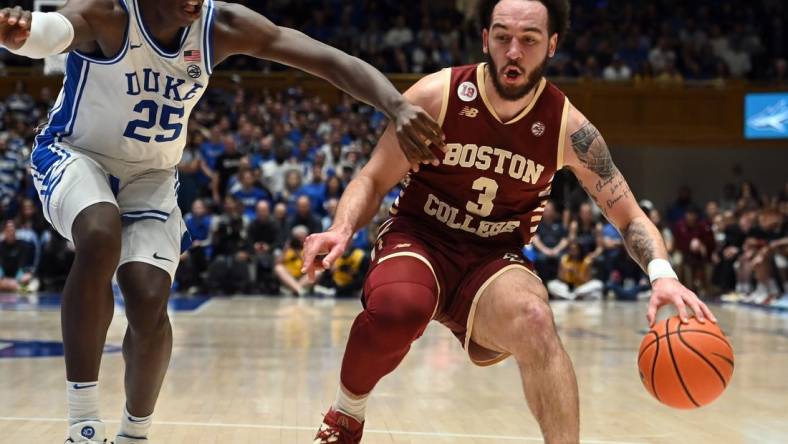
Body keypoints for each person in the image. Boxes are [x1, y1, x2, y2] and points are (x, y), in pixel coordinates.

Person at [0, 1, 445, 442]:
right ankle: (83, 424)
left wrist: (395, 105)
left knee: (148, 294)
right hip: (76, 153)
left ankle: (134, 435)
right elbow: (53, 31)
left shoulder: (218, 25)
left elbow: (327, 59)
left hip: (151, 174)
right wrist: (24, 32)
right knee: (99, 234)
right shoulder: (110, 13)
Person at [302, 1, 716, 443]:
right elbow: (372, 177)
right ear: (485, 39)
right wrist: (342, 227)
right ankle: (347, 414)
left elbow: (628, 214)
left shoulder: (567, 126)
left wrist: (662, 275)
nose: (513, 51)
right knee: (399, 310)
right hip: (420, 238)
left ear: (552, 45)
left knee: (536, 318)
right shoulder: (437, 95)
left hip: (493, 260)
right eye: (502, 37)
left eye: (529, 40)